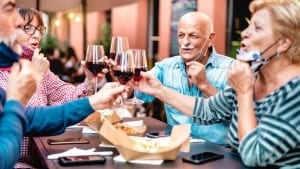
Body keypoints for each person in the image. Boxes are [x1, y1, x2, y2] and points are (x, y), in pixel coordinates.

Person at [136, 0, 300, 168]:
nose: (244, 33)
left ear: (283, 43)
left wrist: (244, 92)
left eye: (257, 28)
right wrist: (158, 90)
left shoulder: (295, 91)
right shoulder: (253, 75)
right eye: (249, 26)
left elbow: (254, 155)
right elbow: (208, 110)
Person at [0, 1, 125, 168]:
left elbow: (36, 114)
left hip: (39, 157)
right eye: (28, 28)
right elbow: (7, 151)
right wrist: (34, 79)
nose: (36, 35)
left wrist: (91, 89)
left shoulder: (37, 67)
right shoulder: (28, 69)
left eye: (39, 29)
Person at [135, 11, 234, 145]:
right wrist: (128, 80)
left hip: (219, 152)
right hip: (175, 148)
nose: (185, 42)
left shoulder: (232, 69)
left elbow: (234, 114)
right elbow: (141, 95)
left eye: (193, 36)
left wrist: (205, 85)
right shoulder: (166, 66)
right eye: (181, 35)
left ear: (210, 38)